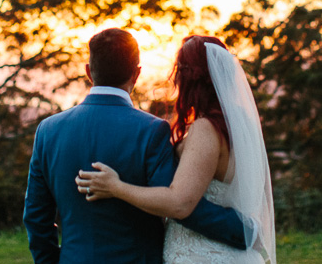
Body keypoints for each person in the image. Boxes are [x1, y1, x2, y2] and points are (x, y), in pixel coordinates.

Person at [23, 28, 250, 264]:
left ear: (89, 72)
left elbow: (36, 217)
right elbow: (181, 207)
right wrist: (244, 230)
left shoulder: (48, 131)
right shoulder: (152, 130)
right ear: (137, 73)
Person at [76, 35, 276, 264]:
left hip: (203, 256)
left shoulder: (206, 129)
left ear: (189, 77)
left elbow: (180, 203)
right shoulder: (237, 124)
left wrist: (116, 187)